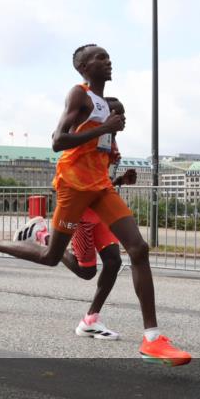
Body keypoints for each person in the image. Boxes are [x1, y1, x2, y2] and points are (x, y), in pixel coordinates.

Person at [0, 45, 191, 365]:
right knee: (52, 256)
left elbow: (97, 150)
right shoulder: (79, 95)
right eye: (99, 57)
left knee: (138, 249)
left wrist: (118, 169)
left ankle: (152, 339)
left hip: (100, 188)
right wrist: (105, 128)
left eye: (109, 56)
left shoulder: (104, 107)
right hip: (73, 187)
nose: (107, 61)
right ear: (83, 67)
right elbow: (57, 141)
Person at [17, 97, 136, 341]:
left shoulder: (111, 144)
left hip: (99, 213)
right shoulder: (87, 137)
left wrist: (121, 180)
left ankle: (91, 319)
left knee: (113, 262)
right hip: (82, 213)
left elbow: (99, 182)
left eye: (125, 115)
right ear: (105, 115)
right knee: (86, 272)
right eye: (119, 114)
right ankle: (43, 235)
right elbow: (74, 168)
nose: (123, 120)